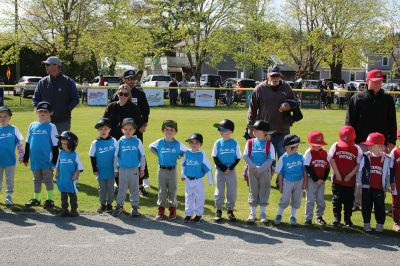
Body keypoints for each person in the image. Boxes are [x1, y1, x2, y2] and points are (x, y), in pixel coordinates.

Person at [346, 69, 397, 211]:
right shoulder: (357, 98)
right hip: (361, 142)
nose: (378, 83)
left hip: (381, 145)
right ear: (368, 81)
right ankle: (357, 202)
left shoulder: (387, 100)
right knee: (359, 172)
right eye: (375, 81)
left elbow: (392, 122)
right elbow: (349, 123)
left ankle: (378, 203)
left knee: (380, 173)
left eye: (380, 81)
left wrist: (392, 141)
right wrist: (349, 142)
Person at [248, 65, 297, 187]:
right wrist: (250, 126)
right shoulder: (260, 89)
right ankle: (264, 180)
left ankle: (280, 181)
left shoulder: (286, 87)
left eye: (277, 75)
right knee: (265, 157)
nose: (275, 78)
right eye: (273, 75)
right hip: (264, 131)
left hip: (282, 129)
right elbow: (252, 109)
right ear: (267, 76)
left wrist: (288, 105)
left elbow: (295, 102)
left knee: (282, 157)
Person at [116, 70, 150, 195]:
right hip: (121, 130)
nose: (131, 81)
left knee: (139, 154)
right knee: (120, 155)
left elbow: (146, 110)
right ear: (124, 79)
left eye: (133, 79)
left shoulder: (139, 93)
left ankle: (141, 182)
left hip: (135, 129)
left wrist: (144, 124)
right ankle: (118, 182)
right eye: (128, 79)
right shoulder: (119, 92)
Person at [103, 84, 143, 192]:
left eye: (125, 94)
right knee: (115, 161)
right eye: (120, 93)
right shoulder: (111, 106)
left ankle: (138, 185)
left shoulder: (133, 107)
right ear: (117, 93)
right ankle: (118, 184)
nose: (123, 96)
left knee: (131, 162)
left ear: (129, 95)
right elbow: (105, 122)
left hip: (129, 140)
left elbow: (138, 124)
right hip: (114, 139)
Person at [149, 120, 187, 221]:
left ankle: (172, 209)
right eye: (166, 129)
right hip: (161, 170)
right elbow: (151, 147)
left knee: (172, 190)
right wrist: (159, 155)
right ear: (163, 131)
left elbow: (187, 152)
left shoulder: (178, 144)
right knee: (161, 191)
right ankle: (160, 211)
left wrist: (180, 155)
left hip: (172, 170)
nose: (169, 131)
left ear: (175, 132)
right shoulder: (159, 142)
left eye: (171, 130)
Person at [23, 102, 59, 208]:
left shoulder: (51, 127)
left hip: (46, 160)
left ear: (50, 113)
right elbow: (28, 142)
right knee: (36, 180)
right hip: (35, 159)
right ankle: (37, 199)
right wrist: (26, 157)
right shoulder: (32, 125)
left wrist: (54, 161)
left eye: (45, 112)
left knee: (48, 180)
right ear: (36, 113)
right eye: (40, 112)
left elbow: (55, 146)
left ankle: (50, 199)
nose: (42, 113)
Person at [32, 56, 79, 134]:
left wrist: (66, 110)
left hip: (62, 122)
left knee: (62, 144)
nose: (45, 67)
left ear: (56, 66)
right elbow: (35, 99)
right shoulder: (42, 82)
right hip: (44, 122)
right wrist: (41, 110)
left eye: (47, 65)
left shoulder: (68, 82)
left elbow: (75, 99)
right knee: (46, 145)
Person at [328, 126, 363, 227]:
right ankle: (337, 218)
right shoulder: (336, 145)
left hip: (350, 181)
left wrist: (350, 175)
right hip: (337, 180)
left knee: (349, 201)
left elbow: (358, 164)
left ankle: (347, 219)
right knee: (336, 200)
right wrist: (337, 173)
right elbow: (332, 159)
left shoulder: (357, 149)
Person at [243, 120, 275, 224]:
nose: (254, 131)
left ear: (264, 132)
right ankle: (252, 213)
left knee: (264, 190)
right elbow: (245, 155)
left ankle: (262, 213)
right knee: (253, 190)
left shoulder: (269, 144)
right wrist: (253, 166)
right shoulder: (250, 142)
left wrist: (260, 169)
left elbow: (271, 159)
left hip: (264, 171)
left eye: (256, 129)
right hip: (252, 170)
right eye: (253, 129)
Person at [357, 132, 390, 232]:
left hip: (379, 188)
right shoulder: (365, 156)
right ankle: (366, 223)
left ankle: (380, 224)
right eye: (368, 145)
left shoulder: (387, 159)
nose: (369, 146)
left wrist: (388, 185)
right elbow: (360, 171)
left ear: (380, 147)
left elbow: (388, 173)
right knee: (366, 205)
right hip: (367, 187)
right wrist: (359, 182)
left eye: (371, 145)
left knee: (380, 206)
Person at [113, 118, 145, 217]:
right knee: (122, 188)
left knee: (134, 188)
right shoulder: (120, 142)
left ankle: (134, 208)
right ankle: (119, 206)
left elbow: (142, 156)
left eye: (130, 129)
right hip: (122, 169)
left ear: (134, 130)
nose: (128, 131)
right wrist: (116, 169)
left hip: (134, 169)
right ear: (122, 130)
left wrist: (142, 168)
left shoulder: (137, 141)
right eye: (125, 129)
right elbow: (116, 156)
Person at [274, 134, 307, 225]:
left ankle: (293, 216)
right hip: (287, 181)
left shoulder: (301, 156)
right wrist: (280, 186)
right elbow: (280, 174)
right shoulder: (283, 158)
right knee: (285, 199)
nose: (296, 148)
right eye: (294, 147)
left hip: (299, 181)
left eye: (297, 146)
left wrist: (304, 183)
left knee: (297, 199)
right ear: (287, 147)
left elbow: (304, 171)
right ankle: (279, 214)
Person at [212, 119, 241, 222]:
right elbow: (215, 157)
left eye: (223, 130)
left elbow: (238, 157)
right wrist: (223, 168)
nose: (221, 132)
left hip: (231, 171)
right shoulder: (218, 143)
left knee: (232, 191)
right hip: (220, 171)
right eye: (219, 130)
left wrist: (230, 168)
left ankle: (230, 210)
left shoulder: (235, 143)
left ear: (231, 131)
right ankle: (218, 210)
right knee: (219, 191)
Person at [181, 133, 213, 223]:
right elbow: (183, 165)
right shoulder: (187, 152)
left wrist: (210, 180)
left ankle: (198, 214)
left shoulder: (201, 154)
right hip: (188, 179)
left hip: (198, 180)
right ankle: (188, 214)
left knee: (199, 197)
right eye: (191, 142)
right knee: (189, 197)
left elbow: (209, 167)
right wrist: (183, 175)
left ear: (201, 144)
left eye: (196, 143)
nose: (194, 144)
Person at [89, 118, 118, 213]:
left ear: (109, 129)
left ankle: (109, 204)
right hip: (100, 169)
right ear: (98, 130)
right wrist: (94, 169)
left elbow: (116, 156)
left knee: (110, 187)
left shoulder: (113, 141)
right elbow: (92, 156)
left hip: (111, 169)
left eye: (105, 129)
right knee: (102, 188)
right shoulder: (95, 142)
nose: (103, 131)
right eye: (101, 129)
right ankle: (102, 204)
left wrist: (116, 169)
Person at [304, 131, 330, 225]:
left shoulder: (325, 153)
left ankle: (319, 217)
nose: (317, 146)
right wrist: (316, 179)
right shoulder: (309, 152)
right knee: (310, 200)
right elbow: (308, 167)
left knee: (320, 200)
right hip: (311, 180)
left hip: (321, 181)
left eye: (319, 145)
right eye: (315, 145)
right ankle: (308, 218)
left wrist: (323, 179)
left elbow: (327, 168)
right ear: (310, 143)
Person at [55, 131, 83, 217]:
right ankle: (64, 210)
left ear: (71, 144)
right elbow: (58, 164)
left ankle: (74, 210)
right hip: (62, 178)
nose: (63, 145)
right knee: (63, 196)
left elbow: (80, 167)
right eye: (62, 143)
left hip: (71, 179)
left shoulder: (74, 155)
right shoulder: (61, 153)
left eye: (65, 144)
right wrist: (56, 173)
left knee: (72, 195)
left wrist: (76, 174)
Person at [0, 106, 24, 206]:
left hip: (10, 160)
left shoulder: (13, 129)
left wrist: (21, 154)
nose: (2, 118)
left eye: (5, 116)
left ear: (10, 117)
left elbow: (19, 143)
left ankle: (9, 196)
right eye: (0, 116)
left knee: (9, 179)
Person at [389, 129, 400, 232]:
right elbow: (391, 168)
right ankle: (396, 222)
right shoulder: (395, 152)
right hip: (397, 183)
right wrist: (391, 182)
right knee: (396, 202)